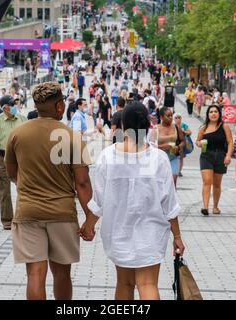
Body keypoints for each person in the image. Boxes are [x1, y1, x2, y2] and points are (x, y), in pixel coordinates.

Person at [83, 102, 185, 300]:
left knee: (124, 283)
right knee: (147, 284)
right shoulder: (159, 158)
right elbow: (169, 205)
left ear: (122, 126)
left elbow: (99, 201)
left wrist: (88, 226)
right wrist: (177, 237)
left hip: (118, 232)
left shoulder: (108, 156)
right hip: (151, 233)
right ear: (147, 125)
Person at [5, 82, 93, 300]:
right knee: (62, 273)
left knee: (35, 274)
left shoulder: (17, 134)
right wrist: (90, 219)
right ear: (60, 106)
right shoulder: (72, 136)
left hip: (27, 212)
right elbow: (82, 183)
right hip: (62, 213)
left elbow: (12, 173)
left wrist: (30, 188)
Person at [0, 96, 27, 230]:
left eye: (15, 104)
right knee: (4, 189)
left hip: (21, 157)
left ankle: (22, 217)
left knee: (24, 188)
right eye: (12, 105)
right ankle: (7, 220)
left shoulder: (22, 118)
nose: (15, 106)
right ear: (4, 108)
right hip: (4, 158)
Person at [196, 105, 234, 216]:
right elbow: (197, 141)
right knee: (207, 181)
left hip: (220, 156)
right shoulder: (203, 128)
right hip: (206, 156)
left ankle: (215, 207)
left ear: (219, 114)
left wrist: (228, 156)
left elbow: (230, 142)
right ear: (207, 115)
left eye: (215, 111)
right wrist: (200, 143)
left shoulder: (224, 126)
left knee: (217, 184)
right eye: (211, 112)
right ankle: (205, 207)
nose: (213, 113)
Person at [157, 108, 184, 187]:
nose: (171, 118)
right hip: (160, 159)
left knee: (173, 181)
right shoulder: (156, 128)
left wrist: (178, 147)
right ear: (161, 117)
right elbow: (151, 146)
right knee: (161, 183)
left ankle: (172, 198)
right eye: (168, 116)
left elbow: (182, 141)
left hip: (173, 157)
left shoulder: (176, 127)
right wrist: (164, 146)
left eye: (171, 115)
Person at [173, 113, 192, 178]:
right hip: (174, 144)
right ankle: (173, 170)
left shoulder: (184, 125)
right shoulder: (172, 125)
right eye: (176, 118)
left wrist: (184, 131)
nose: (178, 119)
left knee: (181, 158)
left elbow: (190, 132)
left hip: (182, 144)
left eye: (179, 117)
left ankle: (179, 171)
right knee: (173, 157)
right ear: (174, 119)